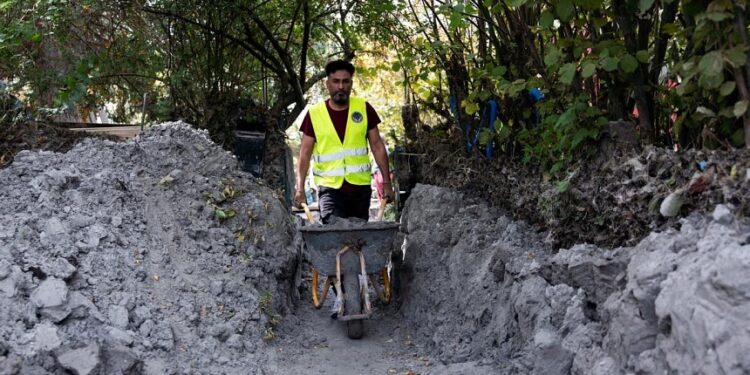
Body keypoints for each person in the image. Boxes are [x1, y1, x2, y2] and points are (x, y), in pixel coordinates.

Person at [294, 60, 394, 223]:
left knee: (358, 238)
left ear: (351, 84)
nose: (341, 86)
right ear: (327, 84)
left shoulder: (363, 108)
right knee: (335, 233)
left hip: (360, 190)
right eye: (336, 81)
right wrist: (300, 189)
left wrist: (387, 183)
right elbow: (304, 154)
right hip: (329, 189)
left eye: (345, 81)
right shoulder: (314, 114)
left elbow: (377, 146)